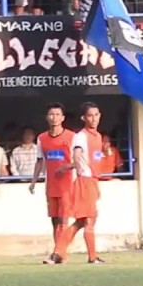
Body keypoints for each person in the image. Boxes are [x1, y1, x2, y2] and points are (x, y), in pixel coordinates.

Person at [44, 103, 105, 265]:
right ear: (83, 118)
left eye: (96, 115)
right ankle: (92, 257)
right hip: (85, 180)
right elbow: (77, 154)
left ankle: (58, 253)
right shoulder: (81, 136)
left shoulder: (98, 136)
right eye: (90, 115)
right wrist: (78, 168)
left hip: (93, 180)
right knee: (89, 219)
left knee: (81, 221)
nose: (94, 119)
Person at [29, 103, 74, 251]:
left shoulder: (72, 137)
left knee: (63, 220)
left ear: (63, 118)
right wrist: (33, 181)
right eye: (51, 114)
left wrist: (67, 166)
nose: (54, 117)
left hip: (67, 185)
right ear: (47, 117)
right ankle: (58, 250)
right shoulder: (42, 138)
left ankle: (60, 252)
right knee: (54, 220)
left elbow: (80, 160)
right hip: (51, 185)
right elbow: (39, 160)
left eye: (57, 114)